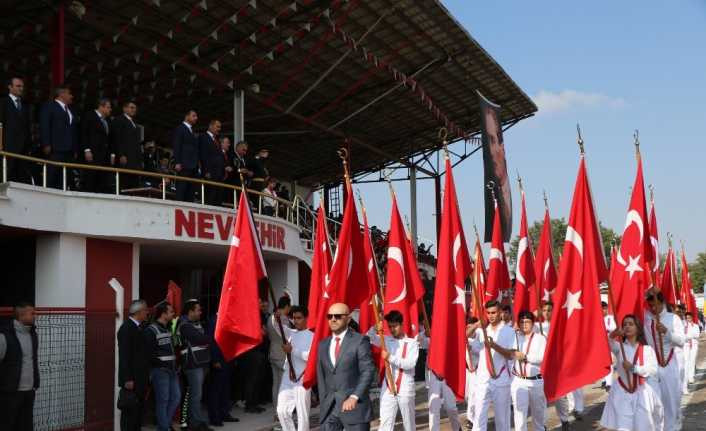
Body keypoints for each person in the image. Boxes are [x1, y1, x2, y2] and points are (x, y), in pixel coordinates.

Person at [317, 302, 375, 431]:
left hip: (355, 407)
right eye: (330, 316)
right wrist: (324, 401)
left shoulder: (359, 341)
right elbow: (321, 376)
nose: (333, 319)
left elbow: (368, 371)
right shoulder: (322, 345)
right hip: (330, 410)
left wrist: (354, 396)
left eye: (337, 316)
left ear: (348, 319)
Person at [599, 314, 664, 430]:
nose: (627, 327)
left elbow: (653, 369)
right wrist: (613, 334)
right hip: (622, 393)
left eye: (631, 324)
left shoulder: (647, 350)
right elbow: (606, 342)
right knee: (624, 427)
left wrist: (634, 368)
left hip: (642, 392)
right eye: (625, 325)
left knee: (644, 426)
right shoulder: (619, 348)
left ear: (638, 328)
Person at [466, 300, 515, 431]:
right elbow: (464, 337)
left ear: (500, 312)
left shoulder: (508, 331)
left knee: (502, 419)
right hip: (483, 379)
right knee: (479, 417)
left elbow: (511, 355)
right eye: (488, 313)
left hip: (501, 379)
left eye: (494, 312)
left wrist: (494, 345)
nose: (491, 315)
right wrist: (476, 325)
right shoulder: (483, 330)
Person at [368, 311, 419, 431]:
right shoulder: (385, 339)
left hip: (406, 387)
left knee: (409, 424)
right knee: (385, 422)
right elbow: (368, 337)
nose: (392, 329)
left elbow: (410, 364)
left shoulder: (412, 343)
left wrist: (390, 357)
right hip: (388, 387)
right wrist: (375, 328)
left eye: (394, 326)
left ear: (401, 324)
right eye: (390, 326)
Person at [643, 287, 685, 431]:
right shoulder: (647, 318)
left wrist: (667, 332)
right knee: (655, 403)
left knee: (671, 401)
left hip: (669, 364)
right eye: (651, 305)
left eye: (656, 304)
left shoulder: (673, 318)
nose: (654, 308)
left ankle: (673, 427)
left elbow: (681, 341)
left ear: (662, 302)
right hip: (653, 366)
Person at [0, 302, 39, 431]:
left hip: (29, 392)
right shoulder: (4, 336)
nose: (35, 315)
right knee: (8, 425)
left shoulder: (32, 334)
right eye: (32, 313)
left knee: (26, 426)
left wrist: (34, 384)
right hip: (10, 393)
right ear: (21, 315)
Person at [144, 301, 181, 431]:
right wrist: (163, 364)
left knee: (176, 398)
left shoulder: (168, 328)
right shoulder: (151, 330)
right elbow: (149, 355)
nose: (173, 314)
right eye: (171, 312)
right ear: (163, 314)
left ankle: (163, 426)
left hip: (172, 370)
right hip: (159, 371)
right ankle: (164, 427)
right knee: (163, 401)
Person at [277, 306, 314, 431]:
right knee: (281, 411)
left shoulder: (312, 336)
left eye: (299, 318)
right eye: (293, 318)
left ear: (306, 318)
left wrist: (293, 350)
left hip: (303, 379)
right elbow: (277, 326)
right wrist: (278, 314)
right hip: (288, 377)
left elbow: (310, 357)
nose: (296, 321)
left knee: (302, 415)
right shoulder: (290, 333)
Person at [417, 326, 461, 431]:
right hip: (434, 375)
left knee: (451, 407)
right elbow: (419, 341)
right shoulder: (429, 337)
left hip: (448, 375)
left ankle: (457, 428)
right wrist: (425, 333)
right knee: (434, 408)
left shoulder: (451, 336)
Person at [178, 299, 213, 431]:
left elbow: (203, 339)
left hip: (201, 362)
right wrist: (211, 337)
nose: (200, 312)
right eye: (198, 310)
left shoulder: (195, 323)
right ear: (190, 311)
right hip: (192, 365)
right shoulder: (185, 325)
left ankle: (195, 421)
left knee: (196, 395)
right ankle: (195, 424)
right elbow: (201, 339)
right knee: (195, 395)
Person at [510, 311, 547, 431]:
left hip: (536, 381)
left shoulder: (540, 338)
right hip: (519, 380)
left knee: (538, 416)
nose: (524, 324)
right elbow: (509, 354)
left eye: (527, 322)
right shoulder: (514, 337)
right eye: (521, 322)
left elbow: (542, 358)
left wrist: (525, 357)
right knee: (519, 416)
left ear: (533, 323)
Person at [117, 300, 150, 431]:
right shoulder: (126, 329)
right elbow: (124, 356)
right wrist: (127, 379)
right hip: (131, 381)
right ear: (138, 312)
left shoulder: (140, 327)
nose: (147, 312)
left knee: (138, 414)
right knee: (129, 414)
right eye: (145, 310)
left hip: (140, 379)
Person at [39, 84, 78, 189]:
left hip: (69, 151)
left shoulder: (71, 110)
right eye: (69, 93)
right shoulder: (49, 106)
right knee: (52, 177)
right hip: (55, 149)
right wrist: (46, 143)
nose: (72, 96)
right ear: (62, 94)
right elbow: (45, 125)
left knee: (65, 179)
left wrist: (74, 148)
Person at [205, 313, 239, 426]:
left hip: (228, 358)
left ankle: (224, 413)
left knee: (225, 388)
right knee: (216, 389)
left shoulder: (227, 320)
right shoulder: (214, 321)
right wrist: (214, 360)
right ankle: (214, 417)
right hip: (219, 359)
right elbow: (211, 341)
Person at [0, 76, 32, 182]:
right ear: (10, 87)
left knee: (20, 178)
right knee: (6, 175)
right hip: (7, 146)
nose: (21, 88)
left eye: (22, 86)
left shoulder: (25, 105)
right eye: (18, 86)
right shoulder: (3, 102)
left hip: (23, 148)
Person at [80, 98, 112, 193]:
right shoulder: (89, 116)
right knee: (90, 179)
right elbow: (84, 133)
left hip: (104, 156)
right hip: (92, 154)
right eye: (108, 107)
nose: (110, 109)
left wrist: (111, 154)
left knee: (102, 182)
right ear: (101, 107)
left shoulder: (108, 120)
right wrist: (86, 150)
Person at [267, 296, 292, 415]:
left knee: (276, 384)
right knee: (284, 384)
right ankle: (282, 411)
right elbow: (288, 336)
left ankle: (277, 411)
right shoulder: (282, 318)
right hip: (282, 354)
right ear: (286, 306)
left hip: (273, 352)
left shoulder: (270, 318)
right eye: (289, 307)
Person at [110, 100, 141, 189]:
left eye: (135, 108)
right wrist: (121, 154)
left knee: (133, 184)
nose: (134, 110)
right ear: (124, 108)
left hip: (134, 160)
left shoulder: (133, 122)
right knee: (124, 182)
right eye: (131, 107)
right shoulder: (119, 120)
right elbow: (117, 139)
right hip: (125, 158)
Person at [173, 110, 199, 202]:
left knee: (190, 191)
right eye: (194, 116)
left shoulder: (191, 130)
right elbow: (177, 145)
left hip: (193, 166)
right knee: (181, 189)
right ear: (187, 116)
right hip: (184, 164)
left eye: (196, 116)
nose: (196, 118)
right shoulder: (180, 128)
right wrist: (177, 162)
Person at [199, 120, 225, 206]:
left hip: (218, 175)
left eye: (220, 127)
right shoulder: (203, 137)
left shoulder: (216, 140)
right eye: (217, 126)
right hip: (210, 174)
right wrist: (206, 171)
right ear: (210, 126)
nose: (219, 129)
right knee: (210, 198)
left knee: (218, 199)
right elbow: (203, 155)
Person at [601, 301, 617, 390]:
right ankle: (604, 380)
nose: (603, 310)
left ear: (606, 308)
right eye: (601, 309)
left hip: (610, 343)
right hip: (601, 344)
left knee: (609, 363)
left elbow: (613, 329)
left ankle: (609, 383)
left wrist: (606, 329)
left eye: (604, 308)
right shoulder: (598, 319)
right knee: (602, 363)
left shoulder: (610, 318)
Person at [685, 312, 699, 387]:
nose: (688, 319)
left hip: (694, 345)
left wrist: (689, 335)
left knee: (692, 360)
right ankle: (687, 377)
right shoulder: (684, 326)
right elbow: (684, 336)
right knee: (686, 360)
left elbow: (697, 335)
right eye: (687, 318)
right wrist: (690, 335)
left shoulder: (695, 326)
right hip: (686, 346)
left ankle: (691, 377)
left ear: (692, 318)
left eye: (689, 318)